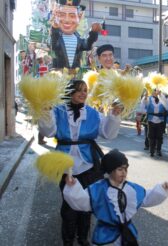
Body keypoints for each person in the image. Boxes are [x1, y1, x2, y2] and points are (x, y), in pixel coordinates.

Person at [38, 79, 122, 246]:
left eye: (85, 90)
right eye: (79, 90)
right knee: (69, 206)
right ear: (70, 92)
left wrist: (114, 115)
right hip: (64, 166)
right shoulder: (58, 111)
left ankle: (83, 239)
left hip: (89, 165)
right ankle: (68, 240)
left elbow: (108, 134)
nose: (83, 93)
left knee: (86, 204)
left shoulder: (93, 113)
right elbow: (48, 132)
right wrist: (45, 112)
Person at [63, 149, 168, 245]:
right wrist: (73, 187)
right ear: (110, 170)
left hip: (127, 233)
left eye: (125, 169)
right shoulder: (98, 189)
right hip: (104, 235)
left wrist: (161, 189)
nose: (124, 173)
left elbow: (147, 197)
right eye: (120, 169)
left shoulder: (130, 188)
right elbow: (83, 201)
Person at [51, 0, 101, 69]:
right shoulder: (57, 38)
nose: (67, 20)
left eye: (72, 16)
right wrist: (55, 28)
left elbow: (87, 45)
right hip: (60, 74)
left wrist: (93, 32)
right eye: (62, 15)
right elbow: (53, 44)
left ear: (79, 17)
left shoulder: (78, 40)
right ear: (56, 16)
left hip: (75, 74)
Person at [141, 89, 166, 157]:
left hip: (160, 120)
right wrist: (145, 98)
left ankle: (158, 150)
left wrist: (160, 95)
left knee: (159, 136)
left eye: (157, 91)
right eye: (155, 91)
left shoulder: (162, 98)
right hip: (151, 120)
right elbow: (143, 107)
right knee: (151, 136)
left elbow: (166, 105)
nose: (156, 92)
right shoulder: (148, 98)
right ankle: (151, 151)